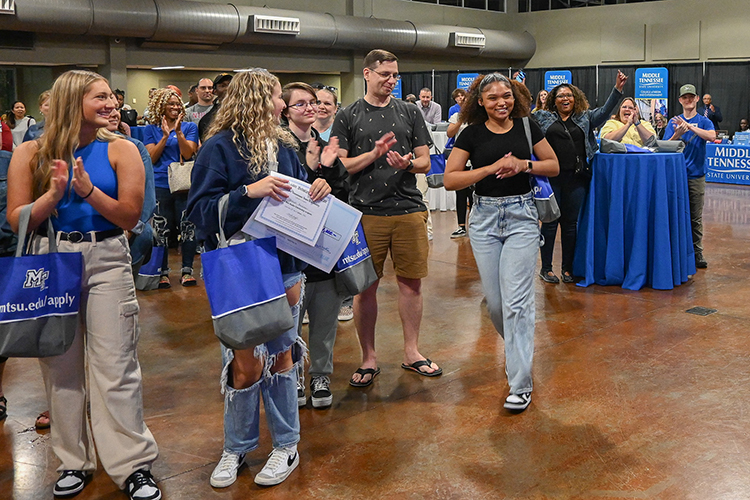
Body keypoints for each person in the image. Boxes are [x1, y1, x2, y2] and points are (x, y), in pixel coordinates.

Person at [6, 69, 160, 500]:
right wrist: (52, 197)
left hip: (108, 259)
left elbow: (131, 217)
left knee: (116, 367)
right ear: (74, 101)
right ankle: (73, 462)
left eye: (111, 96)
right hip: (51, 260)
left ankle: (132, 464)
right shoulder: (31, 153)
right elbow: (16, 220)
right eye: (100, 98)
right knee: (60, 368)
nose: (111, 104)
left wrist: (88, 191)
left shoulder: (122, 150)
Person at [186, 68, 331, 489]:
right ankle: (237, 446)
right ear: (257, 99)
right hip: (239, 266)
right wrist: (250, 191)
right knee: (243, 363)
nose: (283, 104)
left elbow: (299, 195)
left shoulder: (286, 146)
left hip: (285, 265)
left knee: (283, 355)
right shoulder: (218, 147)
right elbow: (198, 210)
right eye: (275, 96)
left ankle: (286, 444)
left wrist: (316, 186)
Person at [443, 73, 559, 412]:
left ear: (515, 98)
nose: (501, 102)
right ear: (480, 102)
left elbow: (552, 165)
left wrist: (524, 164)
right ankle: (519, 346)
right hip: (484, 220)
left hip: (522, 216)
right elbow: (451, 179)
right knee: (496, 304)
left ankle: (520, 383)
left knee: (517, 302)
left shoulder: (527, 127)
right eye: (492, 98)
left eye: (506, 96)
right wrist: (490, 168)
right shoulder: (471, 133)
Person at [332, 49, 441, 387]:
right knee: (366, 290)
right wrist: (375, 154)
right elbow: (342, 165)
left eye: (395, 75)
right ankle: (369, 358)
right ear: (367, 74)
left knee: (412, 285)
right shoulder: (347, 115)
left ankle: (412, 352)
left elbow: (425, 161)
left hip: (408, 210)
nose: (391, 81)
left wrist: (406, 164)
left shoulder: (409, 112)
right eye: (385, 75)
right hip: (365, 214)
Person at [282, 82, 349, 409]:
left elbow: (343, 190)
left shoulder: (325, 145)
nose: (310, 108)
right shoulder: (278, 147)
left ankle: (320, 374)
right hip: (290, 252)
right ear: (286, 109)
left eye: (314, 103)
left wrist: (331, 174)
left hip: (324, 249)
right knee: (290, 322)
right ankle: (292, 374)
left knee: (324, 319)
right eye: (301, 104)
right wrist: (310, 175)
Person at [533, 71, 627, 284]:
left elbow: (604, 112)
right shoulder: (542, 117)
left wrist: (617, 90)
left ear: (575, 98)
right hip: (551, 179)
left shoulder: (585, 117)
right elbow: (522, 118)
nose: (565, 99)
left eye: (569, 95)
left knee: (570, 224)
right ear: (552, 101)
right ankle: (546, 268)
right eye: (560, 96)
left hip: (576, 178)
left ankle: (568, 268)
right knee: (549, 223)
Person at [142, 87, 199, 288]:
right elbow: (151, 157)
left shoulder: (190, 127)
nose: (175, 107)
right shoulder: (150, 129)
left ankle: (187, 270)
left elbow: (189, 152)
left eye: (177, 104)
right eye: (171, 104)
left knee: (188, 228)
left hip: (184, 185)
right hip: (159, 184)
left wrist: (179, 132)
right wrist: (165, 137)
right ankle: (163, 271)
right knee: (161, 230)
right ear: (161, 106)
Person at [664, 84, 716, 269]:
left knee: (695, 217)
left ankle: (697, 252)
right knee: (674, 214)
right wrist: (678, 134)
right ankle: (675, 251)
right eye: (684, 97)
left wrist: (691, 128)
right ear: (680, 100)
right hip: (676, 177)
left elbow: (711, 136)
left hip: (696, 176)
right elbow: (664, 146)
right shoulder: (673, 122)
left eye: (691, 97)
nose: (688, 100)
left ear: (696, 99)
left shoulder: (703, 121)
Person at [446, 100, 472, 238]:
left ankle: (474, 225)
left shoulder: (477, 117)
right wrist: (460, 121)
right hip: (461, 161)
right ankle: (461, 226)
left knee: (474, 194)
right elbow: (450, 133)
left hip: (475, 160)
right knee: (460, 194)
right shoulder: (456, 116)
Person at [198, 73, 233, 141]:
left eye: (230, 85)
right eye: (223, 86)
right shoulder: (208, 119)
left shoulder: (243, 112)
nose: (227, 88)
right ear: (215, 91)